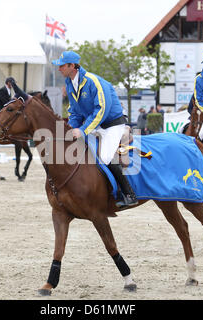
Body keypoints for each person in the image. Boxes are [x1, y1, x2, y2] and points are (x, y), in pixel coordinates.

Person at [52, 50, 138, 209]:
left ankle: (128, 194)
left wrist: (83, 130)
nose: (59, 69)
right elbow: (74, 111)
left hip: (113, 124)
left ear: (72, 66)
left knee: (105, 157)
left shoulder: (93, 81)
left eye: (62, 66)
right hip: (96, 126)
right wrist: (71, 127)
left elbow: (101, 109)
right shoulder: (70, 84)